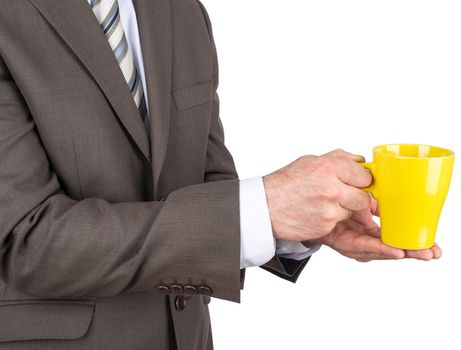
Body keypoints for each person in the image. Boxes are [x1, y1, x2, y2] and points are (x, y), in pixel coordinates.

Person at [0, 0, 440, 349]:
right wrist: (263, 211)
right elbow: (27, 241)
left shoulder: (181, 10)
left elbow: (205, 187)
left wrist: (298, 224)